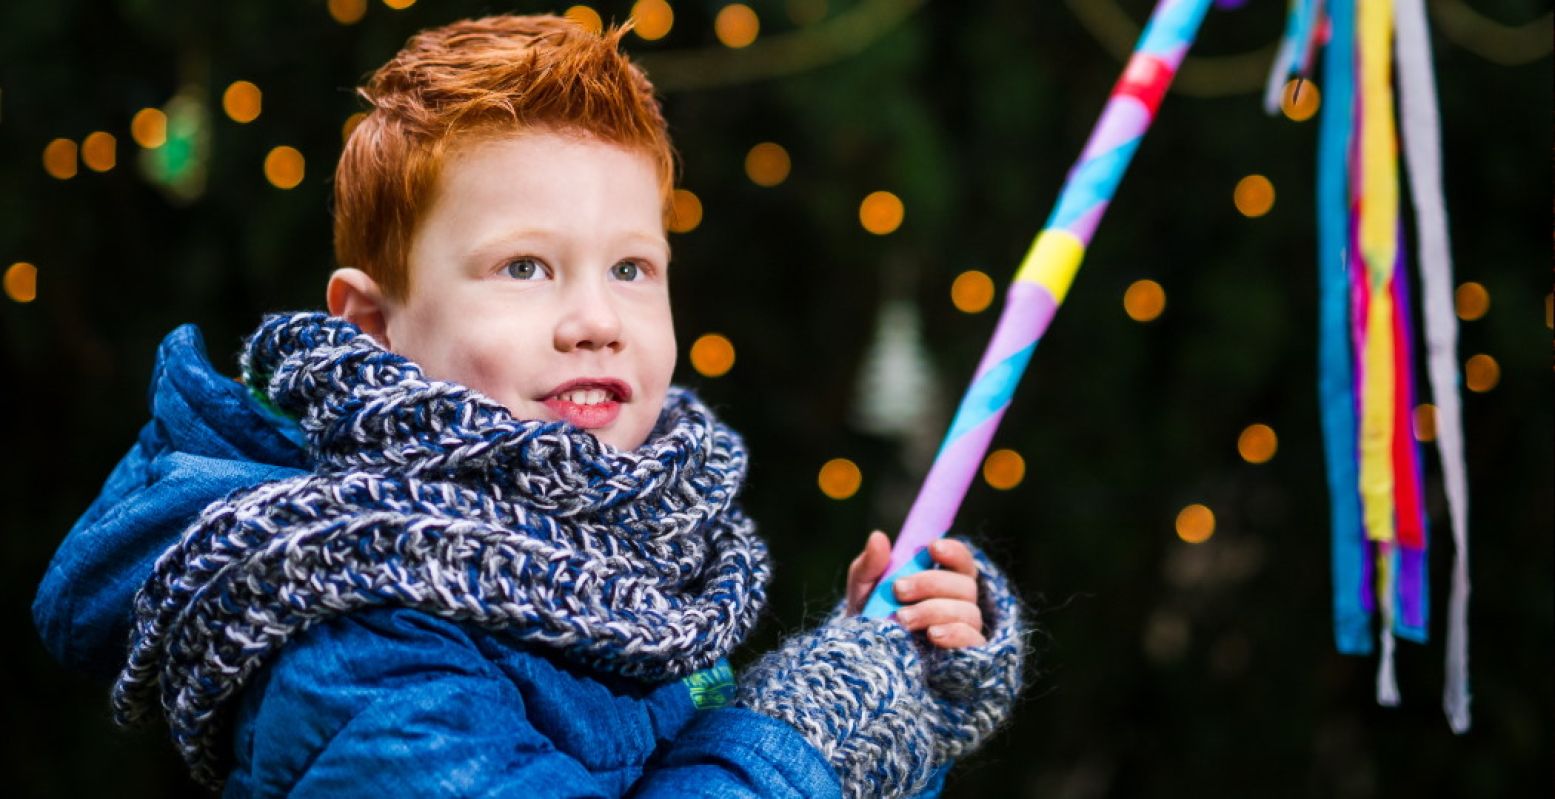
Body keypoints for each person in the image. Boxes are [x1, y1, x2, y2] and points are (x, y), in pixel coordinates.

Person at [32, 15, 1027, 798]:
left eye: (631, 267)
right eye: (524, 266)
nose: (595, 319)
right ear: (374, 324)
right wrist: (804, 731)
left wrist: (890, 697)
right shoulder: (343, 624)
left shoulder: (634, 564)